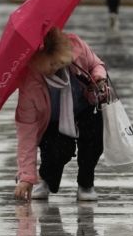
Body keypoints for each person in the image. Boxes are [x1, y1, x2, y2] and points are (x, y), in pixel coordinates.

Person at [12, 27, 108, 203]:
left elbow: (97, 65)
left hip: (85, 108)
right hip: (52, 120)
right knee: (58, 150)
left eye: (57, 63)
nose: (53, 68)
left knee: (93, 139)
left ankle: (86, 184)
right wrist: (27, 176)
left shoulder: (77, 48)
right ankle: (44, 178)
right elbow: (27, 131)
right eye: (48, 65)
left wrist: (98, 78)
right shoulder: (29, 82)